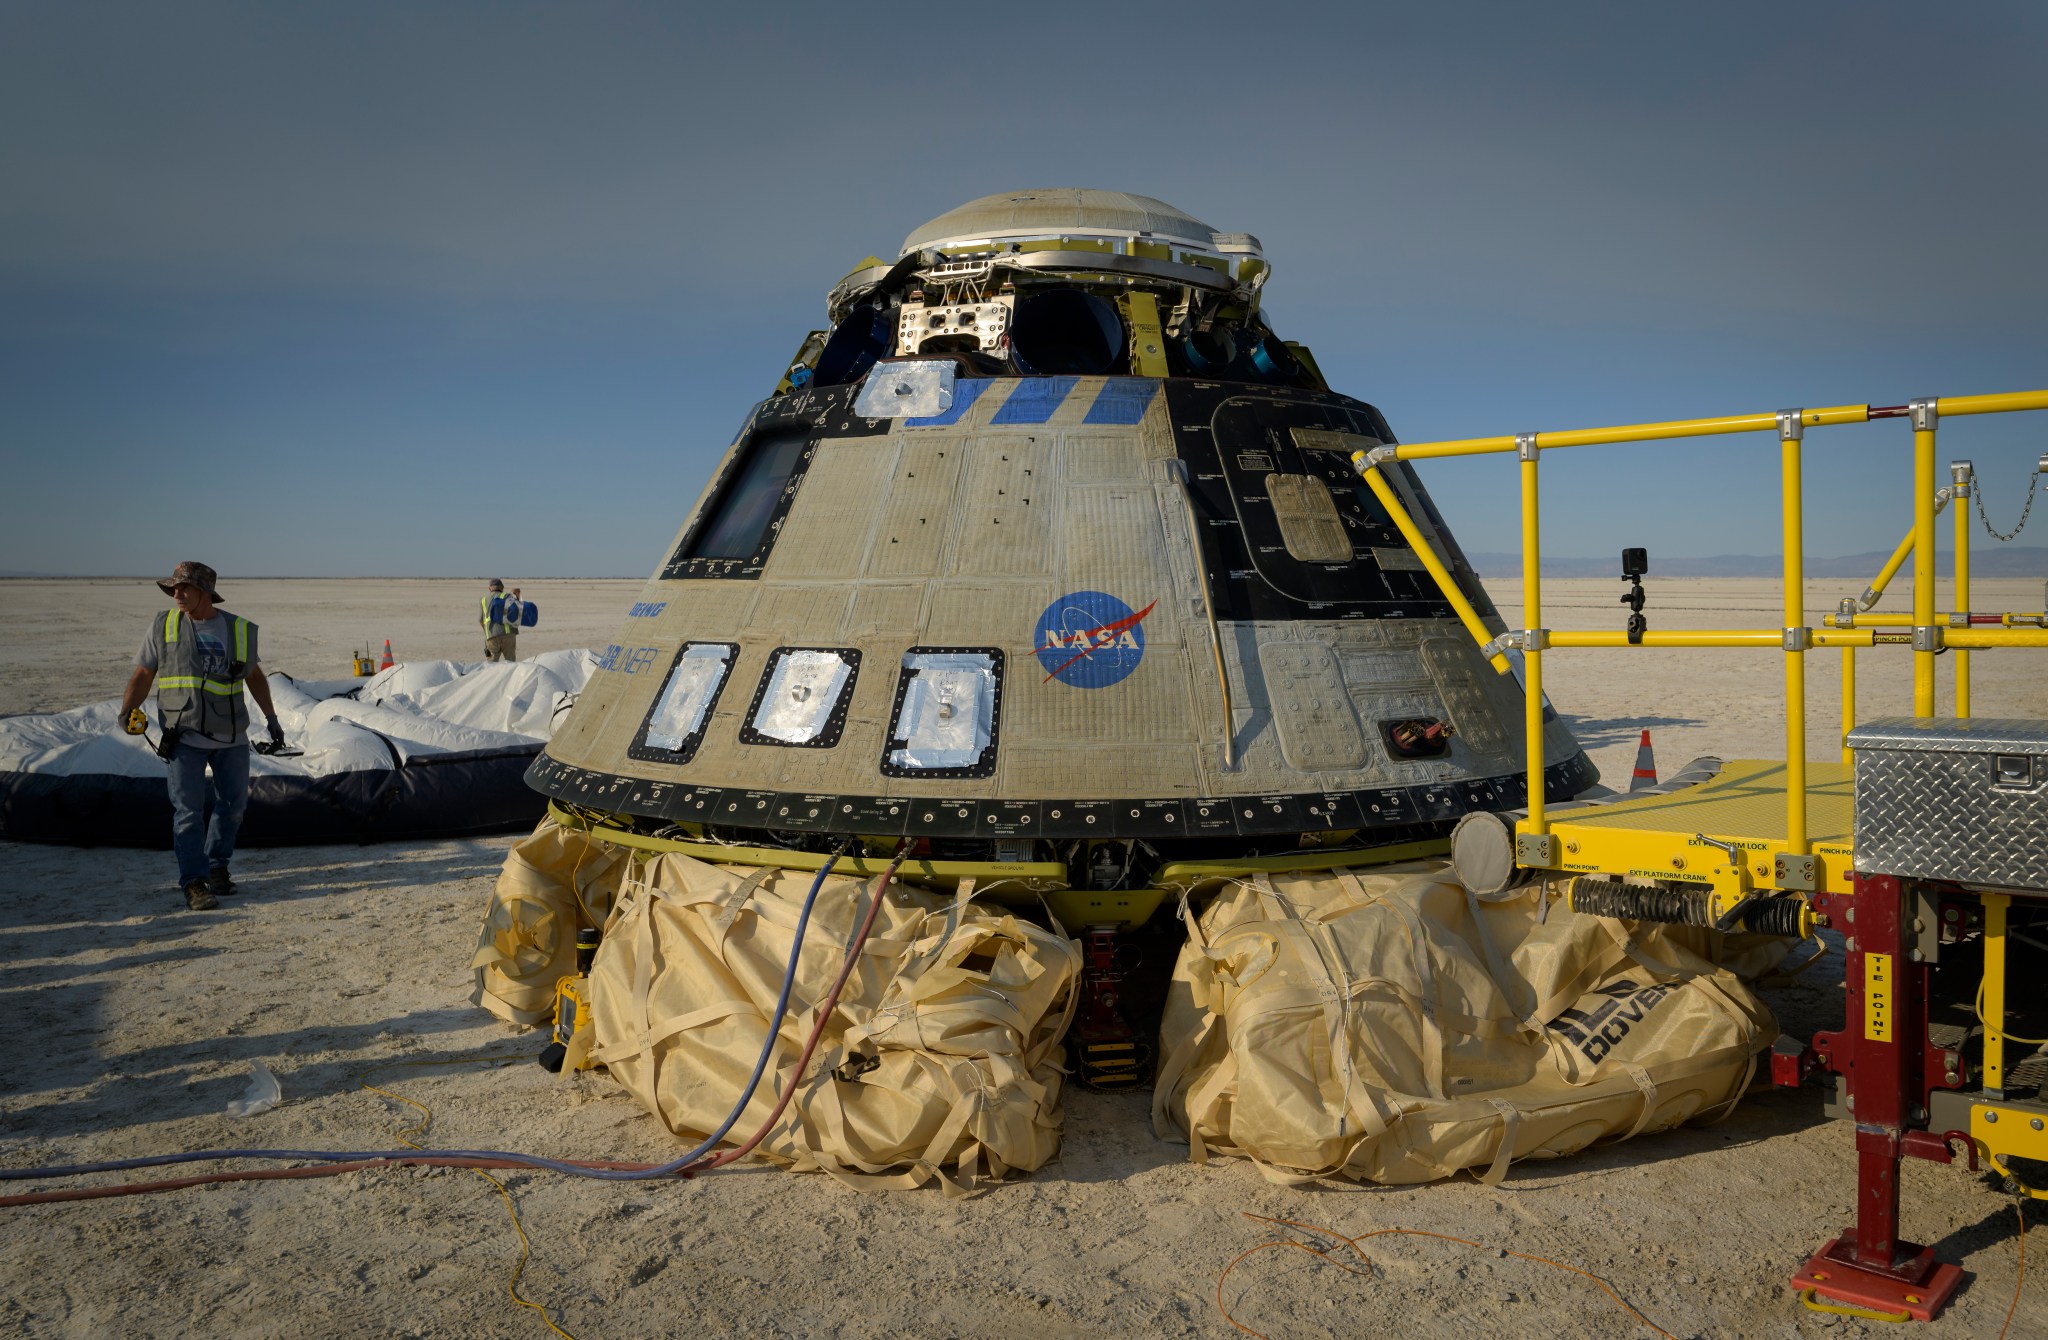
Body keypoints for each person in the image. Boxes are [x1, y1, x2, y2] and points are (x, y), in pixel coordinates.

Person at [117, 562, 284, 910]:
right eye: (173, 589)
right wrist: (127, 710)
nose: (177, 594)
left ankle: (216, 865)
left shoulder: (237, 629)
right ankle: (194, 882)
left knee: (234, 806)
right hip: (184, 735)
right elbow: (144, 673)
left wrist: (271, 718)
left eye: (184, 589)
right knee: (188, 812)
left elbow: (254, 676)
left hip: (231, 735)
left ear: (205, 592)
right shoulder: (163, 626)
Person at [480, 578, 518, 662]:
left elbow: (481, 620)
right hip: (508, 635)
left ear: (489, 588)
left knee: (491, 664)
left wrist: (488, 632)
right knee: (511, 663)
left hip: (491, 637)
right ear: (502, 587)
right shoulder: (507, 596)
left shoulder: (483, 600)